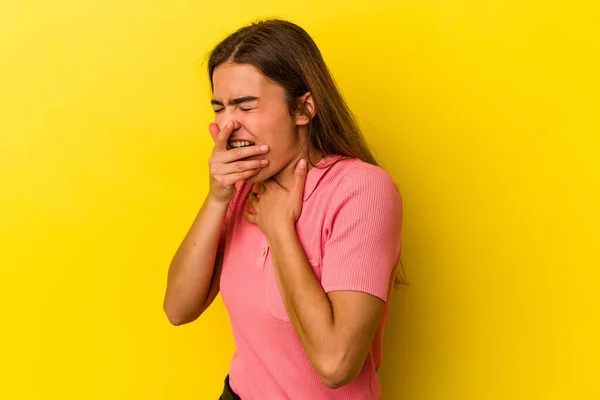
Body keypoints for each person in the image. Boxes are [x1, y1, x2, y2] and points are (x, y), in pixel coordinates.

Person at [163, 18, 403, 400]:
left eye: (246, 105)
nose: (227, 125)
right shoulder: (241, 188)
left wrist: (279, 230)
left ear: (303, 108)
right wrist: (217, 197)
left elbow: (336, 363)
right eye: (219, 108)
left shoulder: (362, 190)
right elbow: (178, 308)